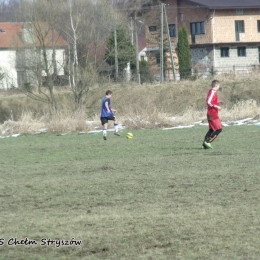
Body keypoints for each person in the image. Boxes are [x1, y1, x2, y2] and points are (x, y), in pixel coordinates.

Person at [202, 80, 223, 149]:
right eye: (219, 85)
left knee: (211, 129)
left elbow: (211, 101)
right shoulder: (212, 92)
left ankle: (204, 144)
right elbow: (208, 102)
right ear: (216, 85)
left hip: (210, 113)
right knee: (219, 129)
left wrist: (218, 102)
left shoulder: (211, 92)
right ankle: (208, 142)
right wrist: (217, 106)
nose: (219, 87)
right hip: (213, 113)